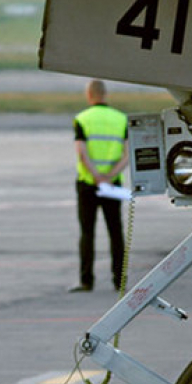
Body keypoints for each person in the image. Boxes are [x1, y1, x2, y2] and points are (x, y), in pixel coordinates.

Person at [70, 79, 129, 292]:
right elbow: (126, 154)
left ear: (89, 95)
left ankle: (87, 280)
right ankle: (119, 280)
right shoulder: (121, 119)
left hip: (88, 183)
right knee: (116, 232)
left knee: (87, 232)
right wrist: (110, 175)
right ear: (105, 95)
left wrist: (95, 175)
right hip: (112, 184)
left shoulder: (82, 119)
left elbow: (81, 151)